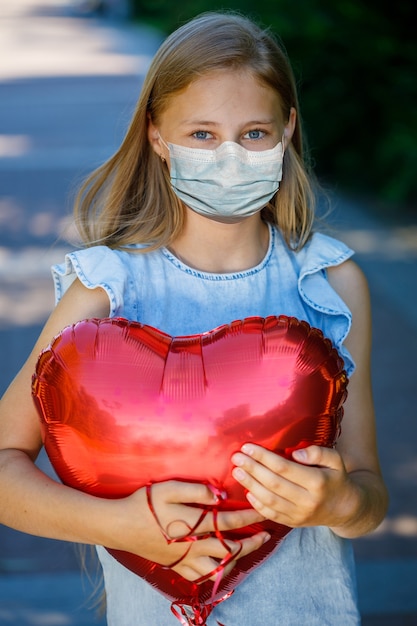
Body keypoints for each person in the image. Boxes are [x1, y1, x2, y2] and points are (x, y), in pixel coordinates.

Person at [0, 10, 388, 626]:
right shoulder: (106, 289)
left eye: (254, 133)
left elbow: (369, 495)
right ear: (157, 136)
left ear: (288, 130)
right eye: (202, 135)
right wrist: (121, 526)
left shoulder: (331, 285)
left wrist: (338, 502)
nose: (229, 156)